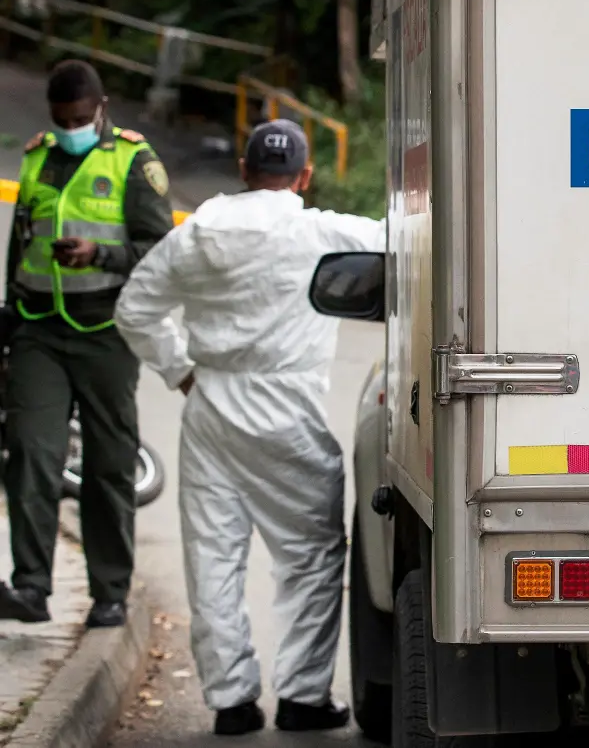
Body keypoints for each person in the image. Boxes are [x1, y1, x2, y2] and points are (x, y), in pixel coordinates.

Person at [113, 119, 385, 736]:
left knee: (214, 556)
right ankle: (303, 697)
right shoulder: (319, 229)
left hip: (210, 404)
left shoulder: (199, 231)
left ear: (242, 168)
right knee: (311, 556)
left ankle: (231, 701)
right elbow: (405, 242)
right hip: (285, 404)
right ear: (306, 176)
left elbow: (135, 307)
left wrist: (179, 369)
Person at [0, 59, 174, 628]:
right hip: (39, 329)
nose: (68, 127)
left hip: (104, 333)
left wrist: (99, 255)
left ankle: (110, 593)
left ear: (100, 108)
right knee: (30, 451)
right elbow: (20, 241)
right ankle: (29, 586)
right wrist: (9, 315)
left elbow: (159, 253)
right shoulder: (37, 156)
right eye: (59, 119)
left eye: (78, 117)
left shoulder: (133, 160)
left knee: (108, 465)